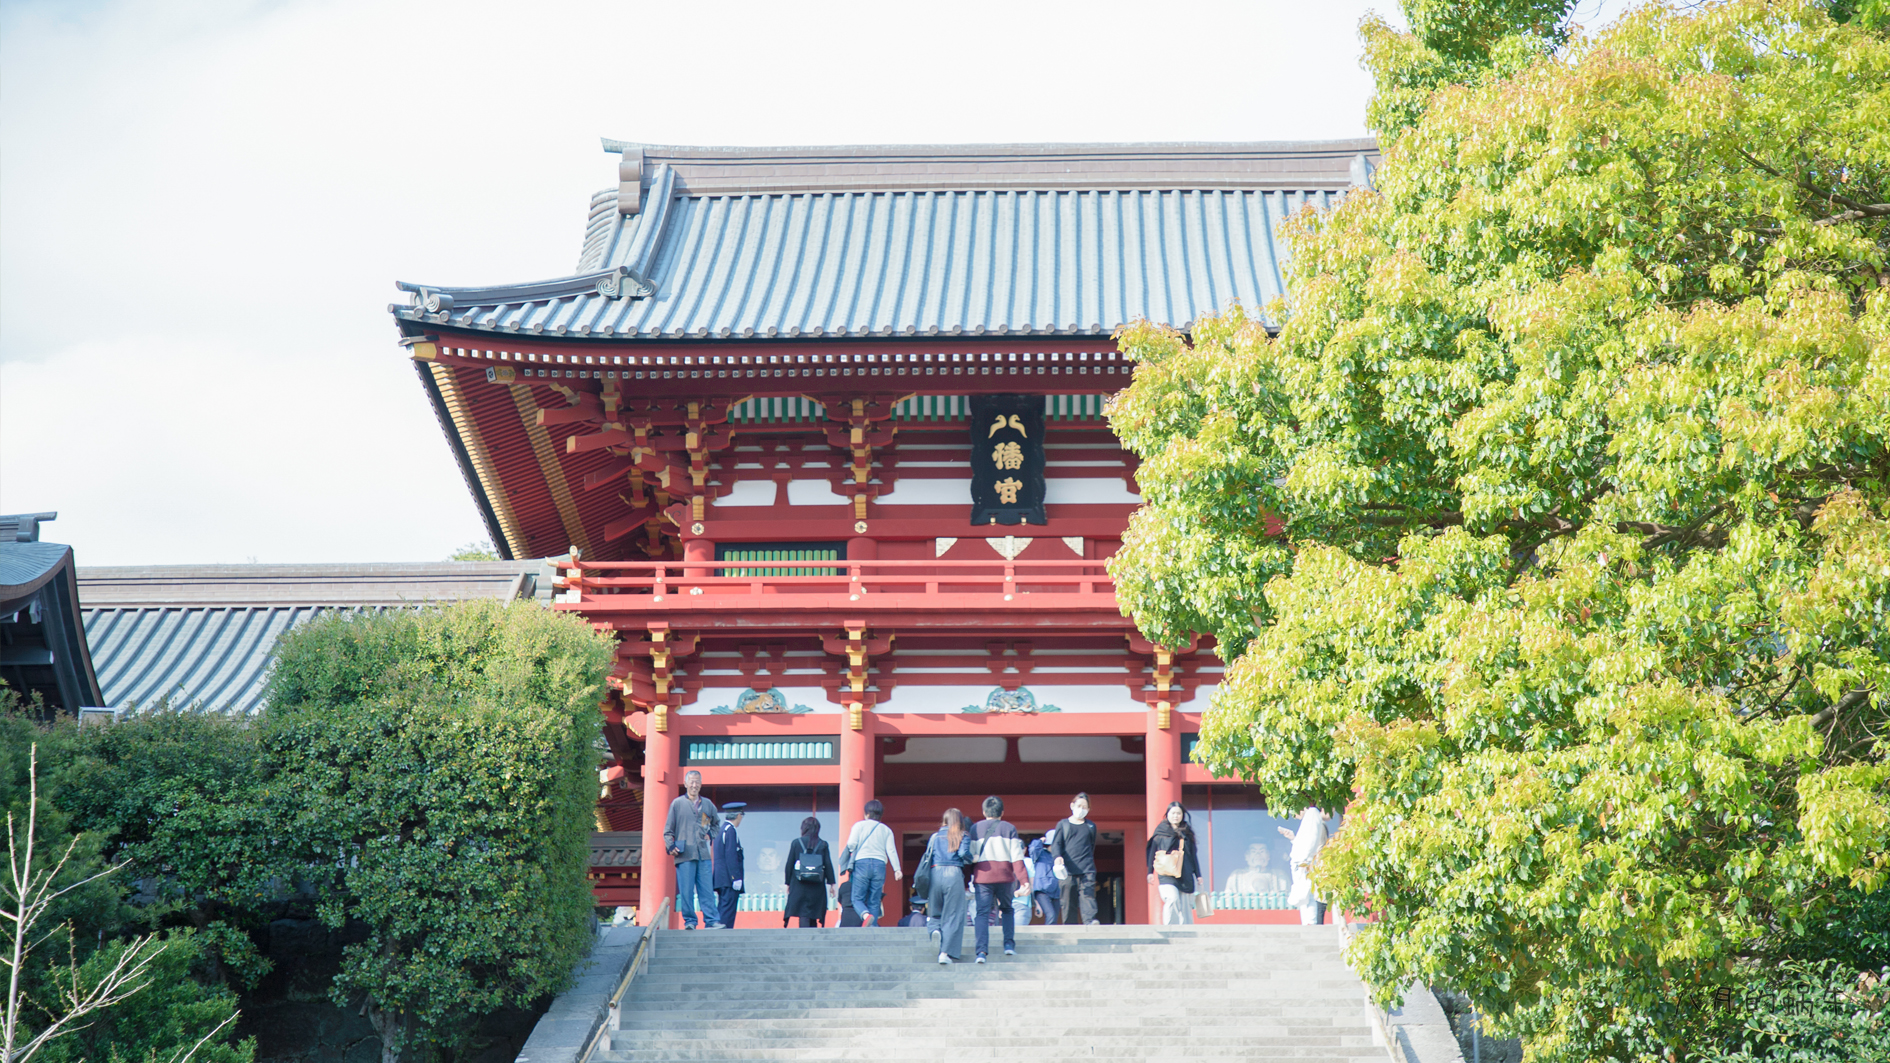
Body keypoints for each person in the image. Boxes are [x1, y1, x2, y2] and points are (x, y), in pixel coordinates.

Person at [970, 795, 1029, 963]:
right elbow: (1017, 857)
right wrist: (1024, 881)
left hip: (983, 878)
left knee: (982, 913)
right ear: (1002, 812)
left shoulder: (975, 829)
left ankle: (981, 952)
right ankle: (1009, 946)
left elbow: (970, 856)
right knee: (1008, 910)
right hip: (1005, 877)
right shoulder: (1009, 828)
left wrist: (970, 876)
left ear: (983, 811)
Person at [662, 769, 722, 930]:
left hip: (703, 854)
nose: (694, 785)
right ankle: (690, 921)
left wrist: (711, 834)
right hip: (684, 854)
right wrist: (671, 846)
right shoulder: (677, 804)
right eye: (692, 782)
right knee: (686, 891)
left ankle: (711, 920)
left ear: (701, 784)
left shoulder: (708, 804)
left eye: (697, 782)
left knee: (707, 890)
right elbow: (668, 831)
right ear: (686, 783)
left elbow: (717, 823)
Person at [925, 808, 974, 964]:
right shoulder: (963, 835)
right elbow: (962, 854)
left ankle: (934, 930)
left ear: (944, 820)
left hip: (935, 872)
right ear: (959, 821)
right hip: (953, 874)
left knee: (935, 911)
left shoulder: (934, 837)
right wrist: (973, 858)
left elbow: (928, 856)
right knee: (953, 915)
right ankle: (945, 953)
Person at [842, 799, 902, 927]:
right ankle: (873, 929)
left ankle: (865, 915)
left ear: (866, 813)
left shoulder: (858, 826)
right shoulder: (886, 830)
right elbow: (891, 850)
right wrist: (897, 869)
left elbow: (851, 844)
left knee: (857, 898)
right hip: (880, 865)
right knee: (874, 901)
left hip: (862, 864)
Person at [1146, 800, 1204, 925]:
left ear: (1183, 815)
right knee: (1172, 899)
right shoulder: (1160, 832)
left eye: (1178, 813)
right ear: (1167, 814)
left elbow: (1193, 855)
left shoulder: (1187, 833)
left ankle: (1187, 934)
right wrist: (1150, 871)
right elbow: (1152, 852)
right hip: (1167, 872)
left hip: (1185, 872)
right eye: (1173, 813)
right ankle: (1170, 929)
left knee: (1185, 907)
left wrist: (1198, 875)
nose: (1175, 816)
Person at [1051, 792, 1101, 925]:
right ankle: (1069, 926)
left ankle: (1090, 921)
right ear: (1072, 805)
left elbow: (1091, 846)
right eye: (1079, 805)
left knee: (1088, 896)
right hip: (1067, 869)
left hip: (1087, 868)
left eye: (1085, 807)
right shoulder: (1063, 824)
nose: (1081, 809)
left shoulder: (1091, 826)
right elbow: (1056, 844)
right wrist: (1057, 857)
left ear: (1088, 810)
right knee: (1067, 900)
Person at [1280, 806, 1331, 925]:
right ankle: (1308, 923)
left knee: (1309, 897)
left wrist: (1306, 861)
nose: (1294, 814)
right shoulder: (1309, 820)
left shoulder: (1314, 816)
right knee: (1305, 897)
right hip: (1305, 863)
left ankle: (1311, 924)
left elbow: (1314, 845)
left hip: (1308, 864)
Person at [782, 815, 835, 928]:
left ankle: (804, 939)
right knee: (813, 913)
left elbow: (789, 864)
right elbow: (828, 864)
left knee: (803, 913)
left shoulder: (796, 843)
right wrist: (832, 884)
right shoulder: (823, 844)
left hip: (799, 883)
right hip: (817, 884)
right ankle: (812, 940)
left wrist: (787, 883)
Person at [711, 801, 746, 930]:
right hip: (728, 879)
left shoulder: (722, 830)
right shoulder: (730, 830)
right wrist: (735, 877)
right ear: (738, 815)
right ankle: (724, 934)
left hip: (722, 878)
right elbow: (731, 856)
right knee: (727, 911)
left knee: (723, 908)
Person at [1026, 833, 1059, 925]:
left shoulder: (1060, 856)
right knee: (1051, 915)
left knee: (1055, 916)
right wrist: (1040, 841)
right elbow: (1033, 849)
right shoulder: (1041, 854)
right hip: (1042, 889)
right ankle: (1049, 936)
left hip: (1056, 891)